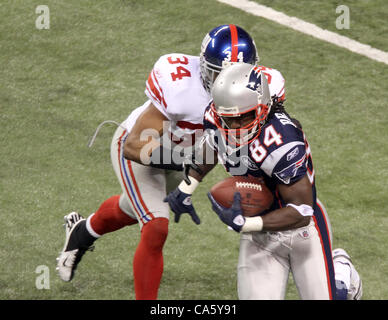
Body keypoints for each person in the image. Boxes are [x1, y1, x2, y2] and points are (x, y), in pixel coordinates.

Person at [56, 24, 261, 300]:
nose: (227, 83)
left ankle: (83, 231)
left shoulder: (255, 91)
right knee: (155, 226)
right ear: (203, 66)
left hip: (184, 161)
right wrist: (185, 160)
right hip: (143, 151)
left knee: (132, 209)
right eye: (219, 74)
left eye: (236, 75)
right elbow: (134, 145)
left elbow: (228, 144)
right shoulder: (179, 85)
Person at [164, 62, 362, 299]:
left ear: (263, 107)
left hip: (303, 230)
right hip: (259, 234)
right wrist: (187, 186)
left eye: (244, 117)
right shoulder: (216, 119)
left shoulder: (283, 141)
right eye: (229, 119)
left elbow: (301, 211)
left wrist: (246, 223)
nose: (235, 127)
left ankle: (341, 275)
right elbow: (213, 145)